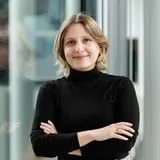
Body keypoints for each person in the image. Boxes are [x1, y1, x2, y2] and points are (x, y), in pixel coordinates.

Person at [30, 13, 140, 160]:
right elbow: (40, 146)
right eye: (70, 42)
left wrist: (61, 142)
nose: (79, 48)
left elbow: (121, 147)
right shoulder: (50, 90)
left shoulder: (121, 86)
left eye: (86, 40)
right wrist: (96, 134)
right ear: (62, 50)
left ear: (100, 46)